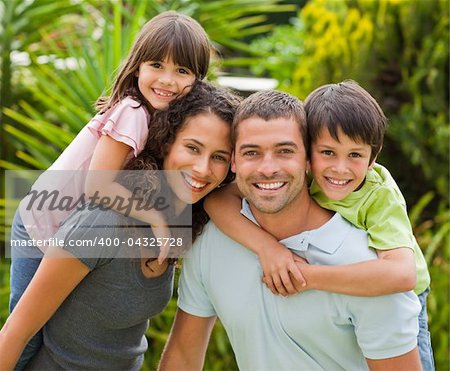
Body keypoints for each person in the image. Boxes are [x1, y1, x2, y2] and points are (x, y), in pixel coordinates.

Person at [159, 90, 422, 370]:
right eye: (251, 153)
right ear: (234, 161)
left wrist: (306, 276)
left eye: (285, 151)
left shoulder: (368, 270)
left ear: (308, 159)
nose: (268, 168)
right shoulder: (212, 241)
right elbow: (183, 359)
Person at [8, 10, 212, 369]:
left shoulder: (162, 120)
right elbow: (98, 186)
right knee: (27, 333)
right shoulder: (133, 111)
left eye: (182, 71)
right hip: (41, 223)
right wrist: (160, 221)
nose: (168, 80)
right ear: (137, 68)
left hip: (70, 227)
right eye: (156, 65)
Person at [0, 81, 241, 370]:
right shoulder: (104, 222)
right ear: (166, 144)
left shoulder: (181, 223)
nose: (203, 168)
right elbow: (16, 333)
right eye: (192, 148)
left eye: (219, 157)